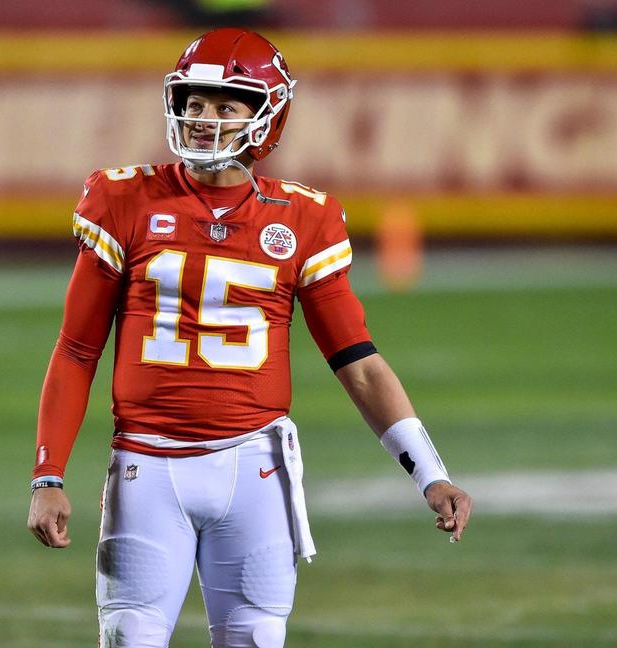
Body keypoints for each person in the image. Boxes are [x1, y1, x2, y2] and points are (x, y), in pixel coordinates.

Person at [27, 28, 472, 647]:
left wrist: (432, 474)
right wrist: (48, 476)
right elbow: (76, 349)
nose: (204, 118)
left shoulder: (303, 217)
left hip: (255, 469)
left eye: (227, 104)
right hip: (147, 467)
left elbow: (359, 363)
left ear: (267, 116)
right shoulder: (123, 197)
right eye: (195, 102)